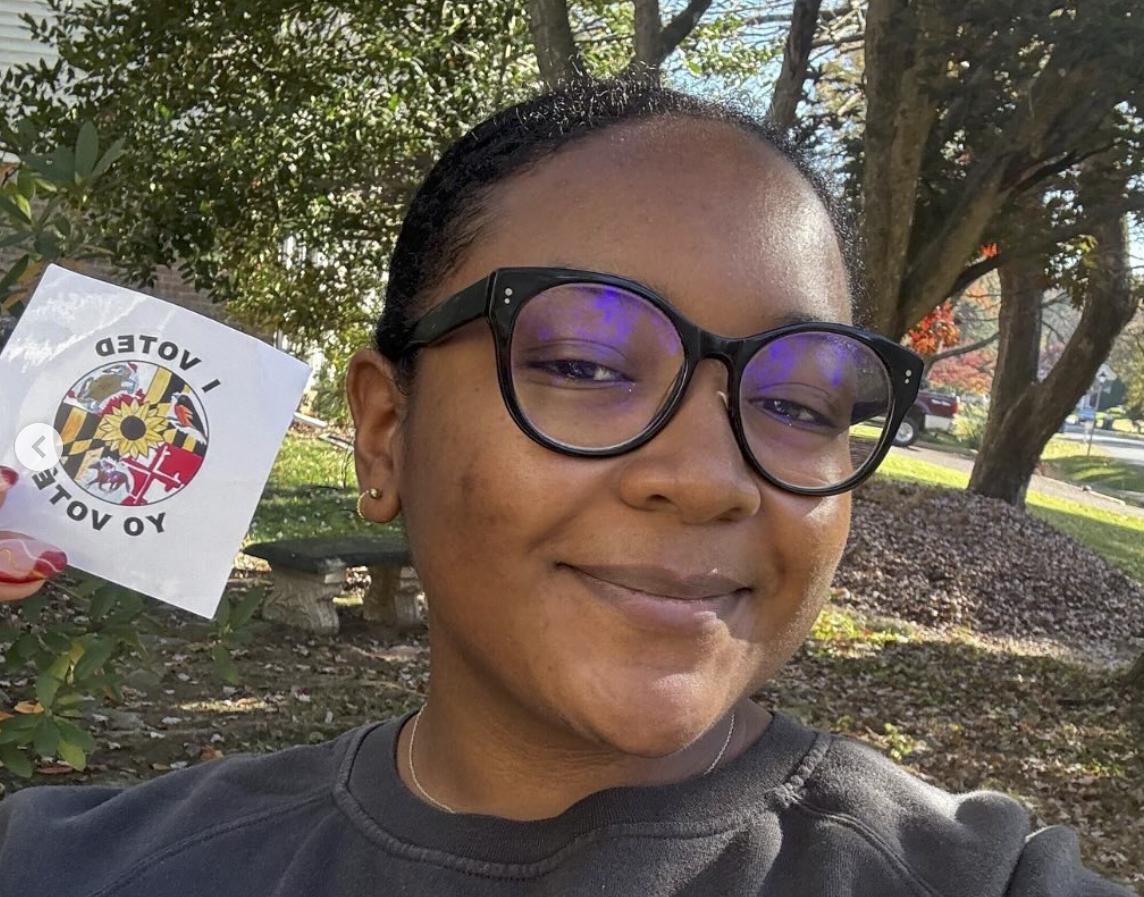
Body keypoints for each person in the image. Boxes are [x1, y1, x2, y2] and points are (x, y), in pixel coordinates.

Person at [0, 76, 1133, 897]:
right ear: (386, 433)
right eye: (585, 365)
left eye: (799, 402)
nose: (708, 478)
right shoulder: (80, 867)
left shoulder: (974, 878)